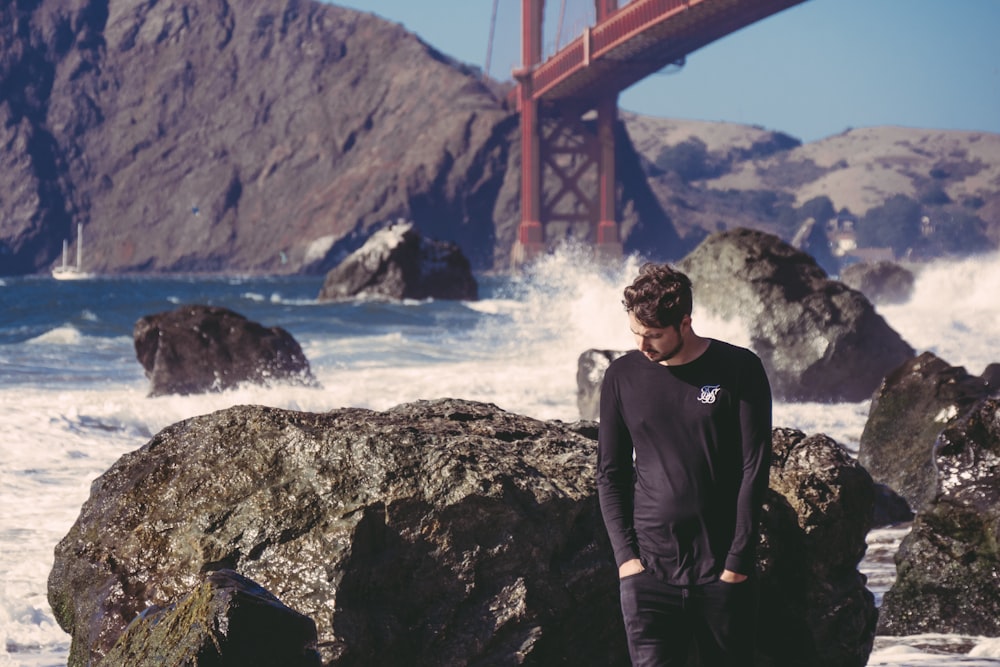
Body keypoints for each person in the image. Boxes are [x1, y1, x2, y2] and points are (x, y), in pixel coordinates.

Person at [596, 263, 772, 666]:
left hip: (723, 573)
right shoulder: (621, 376)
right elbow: (611, 473)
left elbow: (754, 467)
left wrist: (737, 565)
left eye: (654, 335)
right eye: (636, 333)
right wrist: (628, 562)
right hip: (648, 575)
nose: (643, 346)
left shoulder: (739, 369)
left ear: (685, 322)